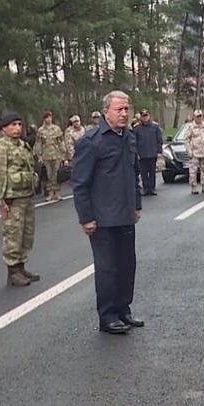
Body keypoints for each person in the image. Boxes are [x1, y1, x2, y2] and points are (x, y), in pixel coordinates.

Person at [71, 90, 144, 335]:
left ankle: (124, 309)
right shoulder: (91, 141)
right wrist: (86, 217)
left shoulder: (129, 137)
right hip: (102, 219)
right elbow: (80, 182)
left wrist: (136, 204)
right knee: (107, 268)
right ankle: (108, 315)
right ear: (106, 112)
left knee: (127, 265)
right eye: (119, 110)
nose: (124, 114)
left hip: (125, 214)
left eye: (127, 109)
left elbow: (134, 173)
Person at [0, 112, 41, 287]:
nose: (17, 128)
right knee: (13, 236)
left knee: (26, 235)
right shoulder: (2, 147)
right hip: (12, 199)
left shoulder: (22, 145)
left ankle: (21, 267)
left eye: (19, 124)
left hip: (26, 196)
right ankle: (13, 272)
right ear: (4, 127)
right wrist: (1, 202)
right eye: (13, 125)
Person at [34, 110, 68, 201]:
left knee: (56, 174)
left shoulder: (56, 129)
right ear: (44, 119)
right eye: (47, 117)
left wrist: (63, 154)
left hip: (56, 154)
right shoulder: (41, 130)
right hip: (46, 155)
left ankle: (57, 192)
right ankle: (50, 193)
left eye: (50, 117)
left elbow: (61, 141)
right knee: (49, 175)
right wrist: (39, 156)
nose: (49, 119)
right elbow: (38, 144)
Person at [133, 109, 164, 196]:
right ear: (141, 117)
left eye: (146, 115)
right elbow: (134, 142)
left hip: (152, 153)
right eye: (143, 116)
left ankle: (152, 188)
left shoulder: (155, 127)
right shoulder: (137, 128)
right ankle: (145, 188)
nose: (145, 117)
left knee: (152, 173)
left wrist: (159, 151)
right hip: (142, 155)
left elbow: (159, 140)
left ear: (149, 116)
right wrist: (136, 153)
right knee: (143, 173)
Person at [185, 109, 204, 194]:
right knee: (193, 171)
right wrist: (189, 151)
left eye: (200, 116)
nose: (199, 118)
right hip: (194, 153)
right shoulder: (191, 127)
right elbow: (186, 139)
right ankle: (194, 187)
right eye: (197, 116)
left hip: (203, 152)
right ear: (194, 117)